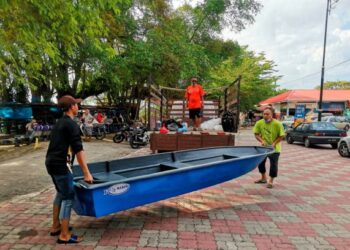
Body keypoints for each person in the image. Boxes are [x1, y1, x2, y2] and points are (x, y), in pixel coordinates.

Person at [45, 95, 93, 244]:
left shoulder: (59, 123)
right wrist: (86, 173)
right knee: (68, 197)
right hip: (61, 165)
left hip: (50, 163)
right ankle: (64, 235)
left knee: (60, 193)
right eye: (76, 104)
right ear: (72, 107)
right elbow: (78, 150)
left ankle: (56, 226)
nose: (78, 106)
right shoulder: (71, 125)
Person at [253, 107, 285, 188]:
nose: (265, 115)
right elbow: (256, 134)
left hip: (275, 149)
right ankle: (263, 178)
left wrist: (274, 143)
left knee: (273, 165)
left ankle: (271, 181)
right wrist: (261, 141)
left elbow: (282, 136)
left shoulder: (278, 124)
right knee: (260, 163)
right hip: (264, 148)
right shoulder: (259, 123)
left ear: (272, 115)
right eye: (264, 114)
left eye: (268, 114)